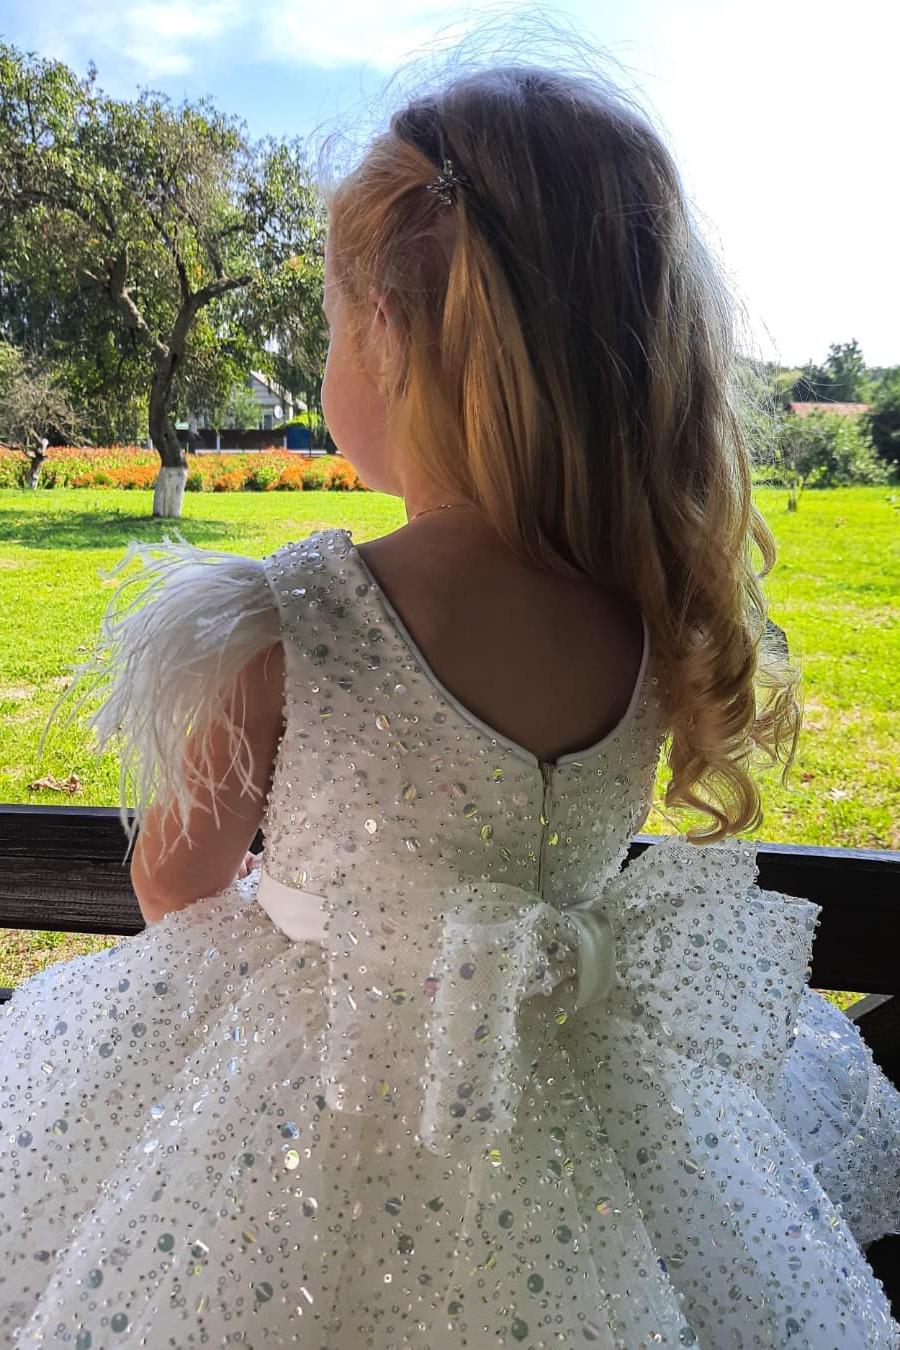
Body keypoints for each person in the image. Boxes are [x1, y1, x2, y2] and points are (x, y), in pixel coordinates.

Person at [1, 63, 898, 1350]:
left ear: (388, 329)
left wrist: (321, 916)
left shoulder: (304, 611)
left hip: (310, 1120)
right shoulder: (652, 620)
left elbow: (174, 882)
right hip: (595, 1125)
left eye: (325, 329)